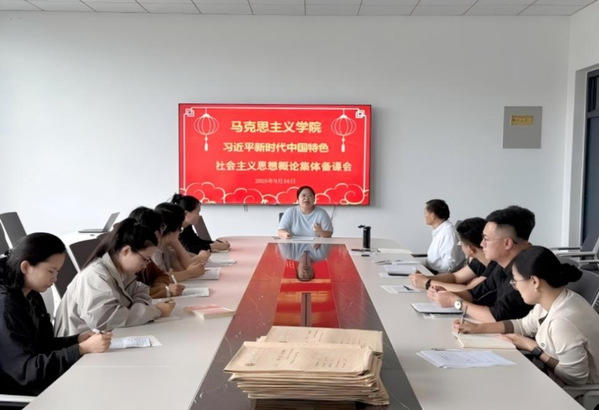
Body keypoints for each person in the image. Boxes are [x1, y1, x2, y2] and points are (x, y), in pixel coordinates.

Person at [453, 246, 599, 386]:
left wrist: (531, 346)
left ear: (534, 281)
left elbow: (575, 379)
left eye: (515, 281)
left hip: (576, 395)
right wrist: (478, 328)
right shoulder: (552, 299)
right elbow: (522, 325)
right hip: (552, 380)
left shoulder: (563, 322)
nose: (515, 286)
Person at [0, 233, 111, 396]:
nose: (55, 278)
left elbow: (42, 344)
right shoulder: (6, 306)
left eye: (57, 272)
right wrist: (81, 349)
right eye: (51, 271)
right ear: (26, 267)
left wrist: (77, 340)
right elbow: (26, 371)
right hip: (22, 393)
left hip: (41, 381)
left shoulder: (30, 293)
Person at [54, 219, 175, 336]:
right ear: (126, 251)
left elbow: (140, 291)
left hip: (104, 337)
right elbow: (106, 320)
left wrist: (140, 310)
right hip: (79, 344)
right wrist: (155, 311)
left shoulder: (122, 271)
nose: (145, 266)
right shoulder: (95, 275)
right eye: (145, 259)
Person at [427, 205, 535, 322]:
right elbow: (474, 294)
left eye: (486, 239)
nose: (482, 244)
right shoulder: (501, 265)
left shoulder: (526, 271)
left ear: (507, 243)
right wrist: (446, 293)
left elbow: (496, 316)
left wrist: (455, 301)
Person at [410, 217, 490, 292]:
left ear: (470, 249)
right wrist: (424, 278)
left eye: (460, 243)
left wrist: (427, 283)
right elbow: (455, 277)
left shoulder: (493, 265)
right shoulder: (479, 259)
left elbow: (468, 291)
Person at [129, 207, 185, 299]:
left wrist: (159, 286)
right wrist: (164, 291)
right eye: (161, 229)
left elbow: (162, 275)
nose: (162, 234)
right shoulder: (133, 259)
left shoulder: (147, 255)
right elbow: (130, 296)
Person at [153, 203, 208, 280]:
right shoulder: (154, 250)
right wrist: (190, 273)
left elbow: (180, 268)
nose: (179, 233)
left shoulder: (166, 247)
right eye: (180, 229)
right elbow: (160, 279)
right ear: (171, 230)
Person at [422, 199, 464, 273]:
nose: (424, 216)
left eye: (425, 213)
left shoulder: (448, 232)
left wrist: (431, 277)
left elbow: (449, 266)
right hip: (430, 269)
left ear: (433, 215)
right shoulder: (441, 230)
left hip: (436, 274)